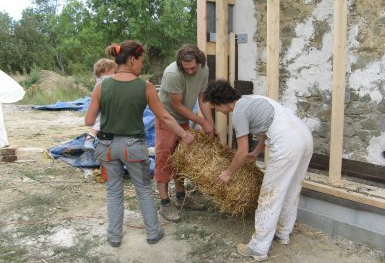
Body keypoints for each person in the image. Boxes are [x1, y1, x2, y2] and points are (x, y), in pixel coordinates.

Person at [85, 40, 194, 248]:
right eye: (141, 61)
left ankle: (114, 237)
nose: (142, 65)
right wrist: (185, 135)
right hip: (133, 147)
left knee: (114, 191)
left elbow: (89, 121)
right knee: (143, 189)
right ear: (132, 59)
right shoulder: (145, 87)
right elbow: (165, 117)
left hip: (107, 148)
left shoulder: (101, 86)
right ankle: (153, 233)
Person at [203, 80, 313, 262]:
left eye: (216, 107)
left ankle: (258, 248)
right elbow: (267, 126)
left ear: (221, 102)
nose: (219, 111)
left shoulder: (238, 112)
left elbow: (241, 151)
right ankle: (283, 233)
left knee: (270, 194)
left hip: (287, 144)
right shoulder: (253, 99)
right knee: (292, 189)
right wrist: (257, 152)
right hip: (304, 137)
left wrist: (228, 173)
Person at [155, 44, 216, 223]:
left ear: (199, 62)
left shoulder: (204, 70)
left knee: (182, 158)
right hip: (167, 119)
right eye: (186, 68)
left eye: (193, 67)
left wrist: (210, 125)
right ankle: (165, 203)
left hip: (184, 119)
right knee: (165, 159)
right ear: (180, 64)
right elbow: (177, 105)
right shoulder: (173, 73)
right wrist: (201, 122)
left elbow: (202, 98)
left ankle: (181, 197)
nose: (190, 71)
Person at [82, 58, 117, 151]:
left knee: (100, 121)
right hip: (103, 105)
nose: (115, 74)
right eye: (114, 72)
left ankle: (90, 139)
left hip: (102, 105)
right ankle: (89, 139)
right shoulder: (105, 80)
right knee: (100, 121)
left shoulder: (99, 80)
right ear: (106, 70)